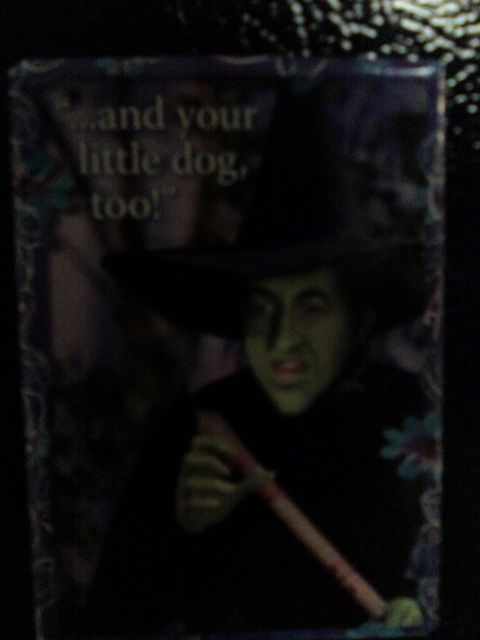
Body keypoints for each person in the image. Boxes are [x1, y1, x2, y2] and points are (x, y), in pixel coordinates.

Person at [83, 79, 431, 637]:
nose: (280, 338)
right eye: (262, 308)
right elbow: (114, 620)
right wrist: (186, 533)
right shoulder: (192, 436)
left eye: (311, 306)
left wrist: (426, 610)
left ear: (360, 319)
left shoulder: (421, 421)